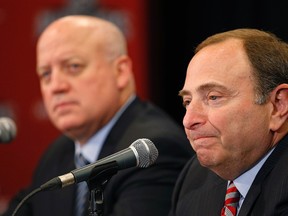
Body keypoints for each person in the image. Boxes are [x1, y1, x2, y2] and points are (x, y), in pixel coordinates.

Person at [3, 15, 194, 216]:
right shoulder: (57, 154)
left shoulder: (151, 150)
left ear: (120, 72)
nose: (56, 86)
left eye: (73, 67)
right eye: (46, 74)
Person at [169, 28, 288, 216]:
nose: (189, 120)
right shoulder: (195, 177)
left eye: (213, 97)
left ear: (278, 106)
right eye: (188, 102)